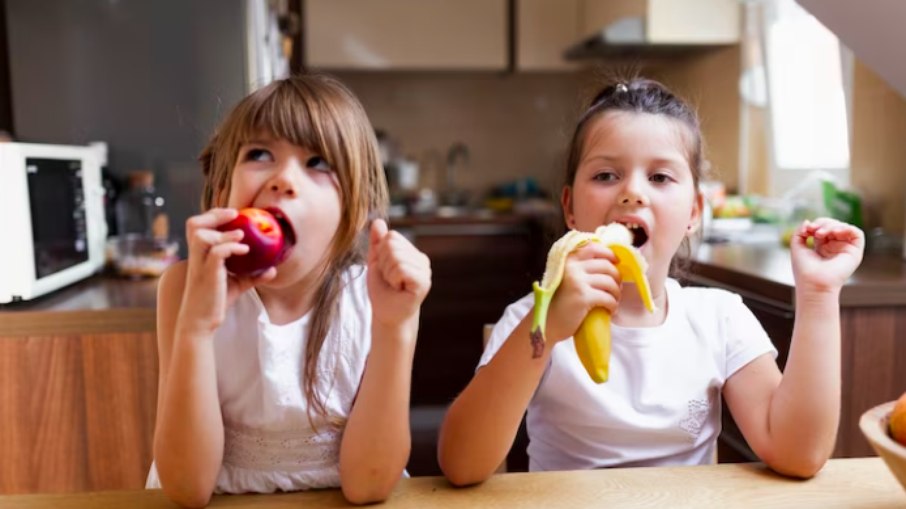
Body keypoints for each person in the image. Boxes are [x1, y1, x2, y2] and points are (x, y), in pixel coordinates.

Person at [437, 78, 864, 485]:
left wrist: (819, 295)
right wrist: (545, 331)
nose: (632, 192)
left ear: (695, 211)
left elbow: (798, 454)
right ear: (570, 208)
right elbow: (461, 465)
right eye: (606, 175)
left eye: (659, 177)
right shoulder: (531, 319)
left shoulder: (720, 319)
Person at [148, 74, 431, 507]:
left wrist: (397, 328)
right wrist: (196, 329)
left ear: (353, 210)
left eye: (318, 163)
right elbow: (188, 488)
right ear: (222, 189)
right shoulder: (184, 289)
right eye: (259, 154)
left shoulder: (374, 299)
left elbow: (368, 486)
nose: (283, 179)